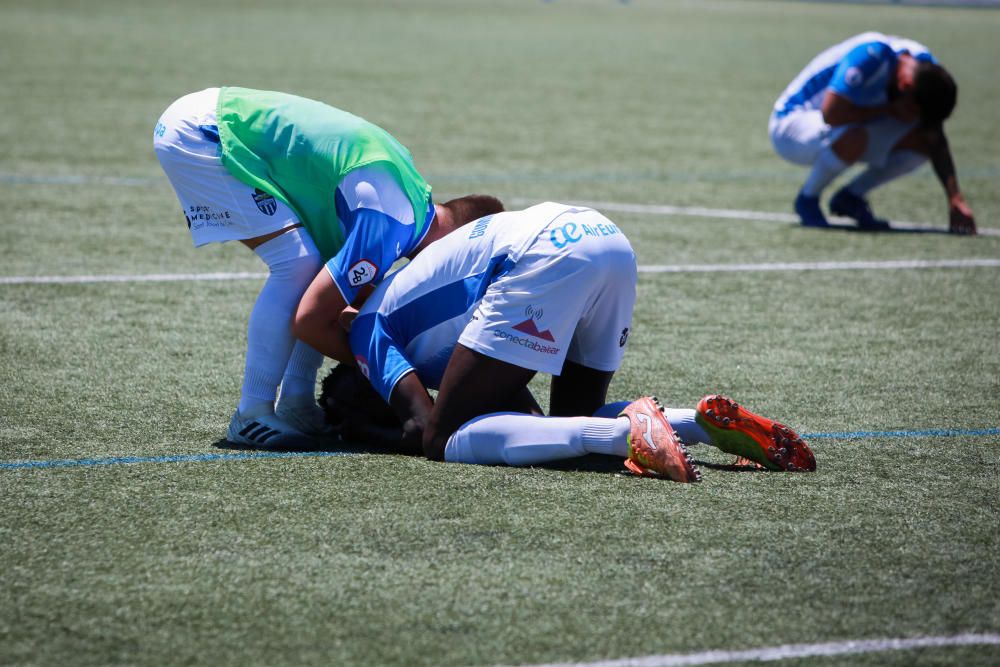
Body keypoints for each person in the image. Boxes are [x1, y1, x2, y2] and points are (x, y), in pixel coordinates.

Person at [328, 202, 815, 481]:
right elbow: (521, 418)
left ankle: (626, 434)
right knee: (563, 423)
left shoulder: (368, 333)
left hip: (539, 254)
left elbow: (421, 428)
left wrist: (364, 433)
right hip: (604, 238)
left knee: (442, 441)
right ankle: (702, 424)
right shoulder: (410, 318)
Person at [153, 86, 502, 449]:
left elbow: (339, 304)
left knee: (320, 279)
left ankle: (295, 404)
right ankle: (251, 414)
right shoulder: (390, 224)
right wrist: (391, 377)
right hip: (202, 130)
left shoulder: (409, 204)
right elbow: (310, 319)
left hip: (211, 119)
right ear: (462, 242)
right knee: (297, 265)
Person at [770, 32, 976, 234]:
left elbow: (935, 137)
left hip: (844, 124)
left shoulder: (926, 67)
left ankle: (851, 197)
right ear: (905, 86)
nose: (912, 116)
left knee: (923, 142)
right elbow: (832, 113)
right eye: (913, 110)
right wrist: (888, 109)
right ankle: (808, 199)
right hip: (791, 126)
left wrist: (955, 198)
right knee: (854, 136)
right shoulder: (871, 55)